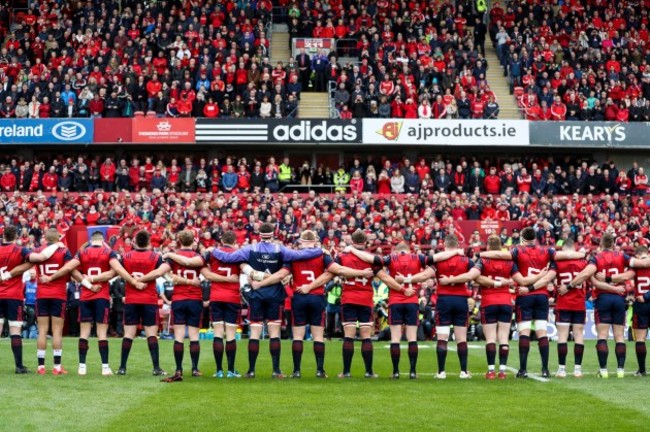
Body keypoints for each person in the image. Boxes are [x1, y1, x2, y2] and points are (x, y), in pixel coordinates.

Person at [210, 222, 323, 379]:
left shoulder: (250, 249)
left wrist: (213, 250)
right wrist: (319, 250)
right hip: (275, 294)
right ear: (274, 233)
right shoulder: (280, 249)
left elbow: (228, 257)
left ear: (259, 234)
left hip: (256, 294)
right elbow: (301, 255)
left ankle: (251, 370)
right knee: (274, 332)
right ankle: (276, 370)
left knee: (255, 332)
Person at [256, 230, 374, 378]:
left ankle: (297, 371)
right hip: (317, 297)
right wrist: (362, 273)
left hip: (299, 296)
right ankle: (320, 371)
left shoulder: (293, 256)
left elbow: (281, 275)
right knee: (318, 336)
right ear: (315, 241)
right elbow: (338, 270)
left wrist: (260, 283)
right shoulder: (322, 255)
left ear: (301, 242)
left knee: (298, 336)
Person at [347, 242, 462, 379]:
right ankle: (412, 372)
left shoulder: (391, 258)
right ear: (409, 250)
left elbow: (372, 260)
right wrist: (455, 252)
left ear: (396, 250)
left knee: (395, 338)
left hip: (395, 300)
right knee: (412, 338)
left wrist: (352, 250)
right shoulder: (417, 257)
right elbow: (437, 257)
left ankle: (396, 372)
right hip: (412, 300)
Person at [439, 235, 544, 379]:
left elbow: (472, 276)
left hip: (489, 301)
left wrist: (451, 280)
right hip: (506, 301)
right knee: (503, 338)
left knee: (490, 338)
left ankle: (491, 371)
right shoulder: (509, 262)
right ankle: (502, 372)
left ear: (488, 247)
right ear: (501, 246)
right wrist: (541, 276)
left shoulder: (483, 261)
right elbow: (522, 280)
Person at [481, 226, 578, 378]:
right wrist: (581, 254)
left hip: (524, 294)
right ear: (535, 238)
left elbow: (500, 254)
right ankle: (545, 369)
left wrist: (482, 253)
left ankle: (523, 370)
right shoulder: (547, 251)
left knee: (524, 331)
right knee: (542, 331)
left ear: (522, 238)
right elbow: (562, 257)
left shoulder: (517, 250)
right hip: (542, 295)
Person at [41, 230, 137, 376]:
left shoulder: (83, 252)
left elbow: (69, 268)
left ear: (91, 240)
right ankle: (105, 367)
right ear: (102, 239)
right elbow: (115, 271)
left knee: (84, 332)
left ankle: (82, 367)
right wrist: (132, 281)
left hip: (85, 296)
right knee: (102, 333)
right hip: (101, 296)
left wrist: (52, 277)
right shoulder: (108, 252)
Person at [567, 233, 650, 378]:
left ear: (601, 244)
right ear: (613, 244)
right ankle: (620, 371)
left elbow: (586, 274)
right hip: (619, 299)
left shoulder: (597, 258)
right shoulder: (622, 256)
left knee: (602, 336)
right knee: (619, 336)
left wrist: (570, 285)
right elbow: (639, 266)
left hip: (603, 298)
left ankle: (604, 371)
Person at [402, 235, 474, 379]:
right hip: (461, 299)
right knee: (461, 338)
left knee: (442, 337)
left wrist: (407, 279)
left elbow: (424, 276)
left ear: (444, 245)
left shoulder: (439, 260)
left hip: (444, 300)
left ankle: (441, 372)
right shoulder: (467, 261)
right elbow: (474, 275)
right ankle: (464, 372)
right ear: (457, 245)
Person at [0, 226, 61, 374]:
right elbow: (40, 258)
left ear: (4, 236)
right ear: (17, 236)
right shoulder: (20, 250)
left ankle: (20, 366)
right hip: (13, 295)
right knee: (15, 330)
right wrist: (56, 245)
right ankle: (19, 366)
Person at [117, 230, 172, 376]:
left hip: (131, 299)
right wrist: (143, 280)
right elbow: (162, 271)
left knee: (128, 334)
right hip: (149, 299)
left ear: (134, 242)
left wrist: (133, 280)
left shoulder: (125, 256)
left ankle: (122, 367)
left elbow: (116, 271)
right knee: (151, 334)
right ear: (149, 242)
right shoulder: (155, 256)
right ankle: (156, 368)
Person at [161, 230, 207, 382]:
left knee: (179, 336)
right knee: (194, 336)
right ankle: (194, 369)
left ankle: (179, 369)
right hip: (195, 298)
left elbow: (163, 272)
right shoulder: (198, 256)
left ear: (179, 240)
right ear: (193, 241)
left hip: (179, 299)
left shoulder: (173, 258)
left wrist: (172, 277)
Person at [32, 228, 74, 375]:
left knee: (42, 331)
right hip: (58, 294)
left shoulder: (38, 250)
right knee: (57, 330)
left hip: (42, 294)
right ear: (58, 239)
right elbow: (69, 268)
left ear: (45, 238)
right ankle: (57, 367)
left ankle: (40, 367)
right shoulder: (63, 251)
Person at [552, 238, 588, 378]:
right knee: (578, 334)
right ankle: (578, 370)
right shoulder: (583, 262)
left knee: (562, 336)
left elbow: (550, 277)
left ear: (563, 249)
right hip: (579, 303)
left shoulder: (558, 262)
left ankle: (562, 370)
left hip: (564, 302)